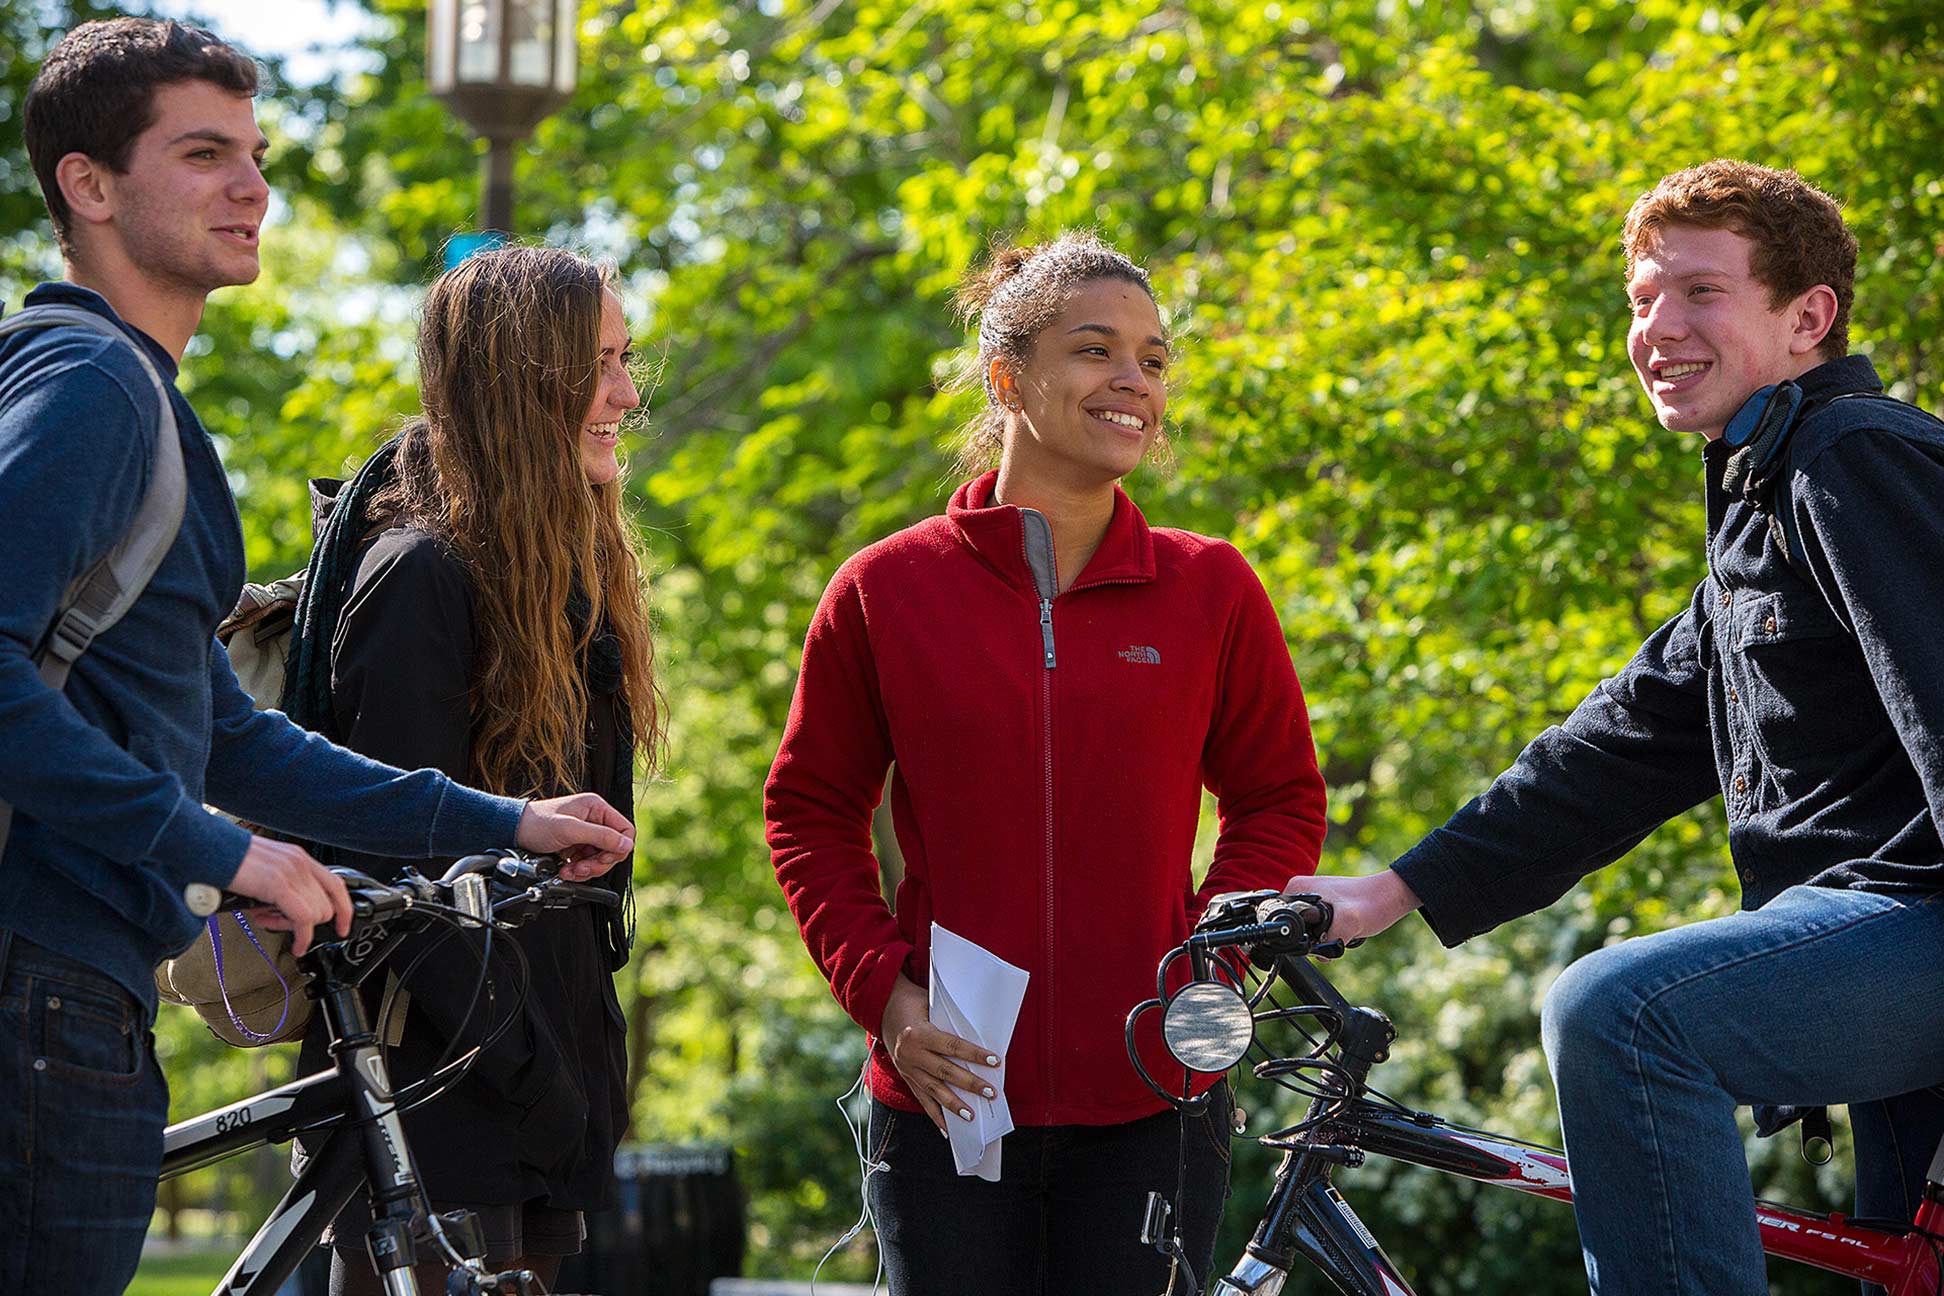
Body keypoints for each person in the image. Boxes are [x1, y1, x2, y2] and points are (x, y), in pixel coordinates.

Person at [0, 20, 632, 1291]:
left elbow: (223, 734)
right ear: (89, 184)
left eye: (258, 152)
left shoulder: (138, 401)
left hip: (78, 988)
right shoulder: (91, 390)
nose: (255, 188)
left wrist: (503, 819)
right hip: (42, 984)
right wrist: (227, 851)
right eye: (204, 154)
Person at [1298, 160, 1944, 1296]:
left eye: (1699, 293)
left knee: (1622, 1012)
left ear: (1808, 317)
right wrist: (1387, 894)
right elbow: (1622, 742)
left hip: (1915, 919)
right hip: (1874, 945)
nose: (1657, 328)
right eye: (1642, 300)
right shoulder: (1765, 500)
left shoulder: (1851, 456)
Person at [765, 231, 1329, 1292]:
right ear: (1005, 376)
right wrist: (890, 1000)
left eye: (1154, 359)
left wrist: (1214, 964)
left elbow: (1279, 797)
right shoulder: (886, 590)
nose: (1133, 381)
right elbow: (808, 811)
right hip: (946, 1099)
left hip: (1155, 1100)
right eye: (1094, 350)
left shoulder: (1210, 589)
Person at [296, 245, 662, 1294]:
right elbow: (390, 859)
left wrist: (575, 1074)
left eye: (624, 360)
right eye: (597, 362)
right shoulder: (418, 575)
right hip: (429, 1104)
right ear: (519, 374)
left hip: (537, 1105)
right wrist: (533, 1069)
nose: (626, 396)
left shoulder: (569, 586)